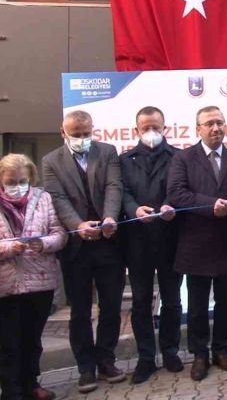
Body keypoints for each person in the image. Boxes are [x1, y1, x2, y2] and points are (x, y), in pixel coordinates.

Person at [42, 110, 125, 394]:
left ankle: (106, 360)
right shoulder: (51, 161)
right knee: (79, 311)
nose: (81, 138)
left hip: (108, 241)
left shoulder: (107, 152)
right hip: (76, 248)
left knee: (111, 305)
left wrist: (109, 217)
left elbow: (114, 186)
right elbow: (57, 197)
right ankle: (85, 368)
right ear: (63, 132)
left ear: (93, 129)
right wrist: (78, 225)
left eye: (86, 133)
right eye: (75, 134)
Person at [167, 106, 227, 381]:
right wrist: (210, 205)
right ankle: (199, 354)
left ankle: (222, 350)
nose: (216, 128)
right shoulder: (183, 158)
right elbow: (177, 194)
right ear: (198, 129)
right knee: (198, 305)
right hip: (196, 242)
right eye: (209, 123)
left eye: (220, 123)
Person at [119, 106, 183, 384]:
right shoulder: (124, 160)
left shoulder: (179, 157)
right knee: (141, 301)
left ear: (164, 127)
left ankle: (170, 351)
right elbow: (121, 192)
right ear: (137, 130)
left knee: (172, 300)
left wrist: (171, 205)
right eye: (145, 128)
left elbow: (181, 188)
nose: (151, 132)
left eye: (156, 127)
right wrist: (134, 210)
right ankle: (146, 358)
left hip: (170, 239)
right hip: (138, 242)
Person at [0, 154, 66, 400]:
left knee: (33, 339)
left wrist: (44, 243)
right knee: (9, 341)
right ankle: (11, 390)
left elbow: (59, 233)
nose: (17, 186)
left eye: (22, 181)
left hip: (40, 279)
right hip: (6, 284)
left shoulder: (43, 198)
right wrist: (9, 248)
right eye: (11, 182)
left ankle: (31, 384)